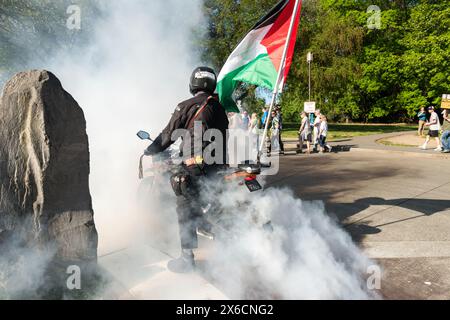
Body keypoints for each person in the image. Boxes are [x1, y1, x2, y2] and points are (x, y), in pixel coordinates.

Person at [144, 66, 228, 273]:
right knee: (217, 202)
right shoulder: (218, 107)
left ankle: (187, 258)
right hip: (218, 166)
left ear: (193, 83)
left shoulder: (186, 106)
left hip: (194, 166)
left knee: (184, 207)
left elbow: (168, 135)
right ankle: (220, 241)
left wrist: (149, 149)